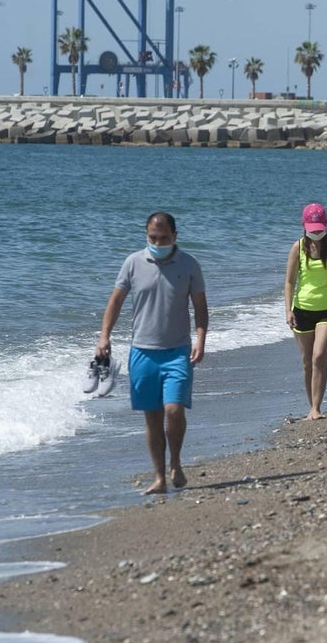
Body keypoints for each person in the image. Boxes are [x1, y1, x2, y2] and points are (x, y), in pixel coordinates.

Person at [97, 212, 208, 495]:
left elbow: (200, 306)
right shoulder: (133, 263)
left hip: (177, 351)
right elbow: (115, 301)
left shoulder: (189, 264)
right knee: (152, 417)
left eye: (163, 238)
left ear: (175, 236)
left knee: (174, 409)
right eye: (152, 238)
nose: (157, 242)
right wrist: (104, 336)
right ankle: (159, 477)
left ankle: (176, 463)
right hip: (142, 353)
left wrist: (201, 339)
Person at [284, 203, 327, 421]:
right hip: (302, 310)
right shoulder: (297, 247)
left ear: (326, 224)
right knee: (307, 361)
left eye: (319, 227)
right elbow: (289, 281)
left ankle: (316, 408)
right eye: (311, 228)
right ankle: (310, 406)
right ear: (303, 225)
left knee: (319, 355)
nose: (315, 232)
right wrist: (288, 310)